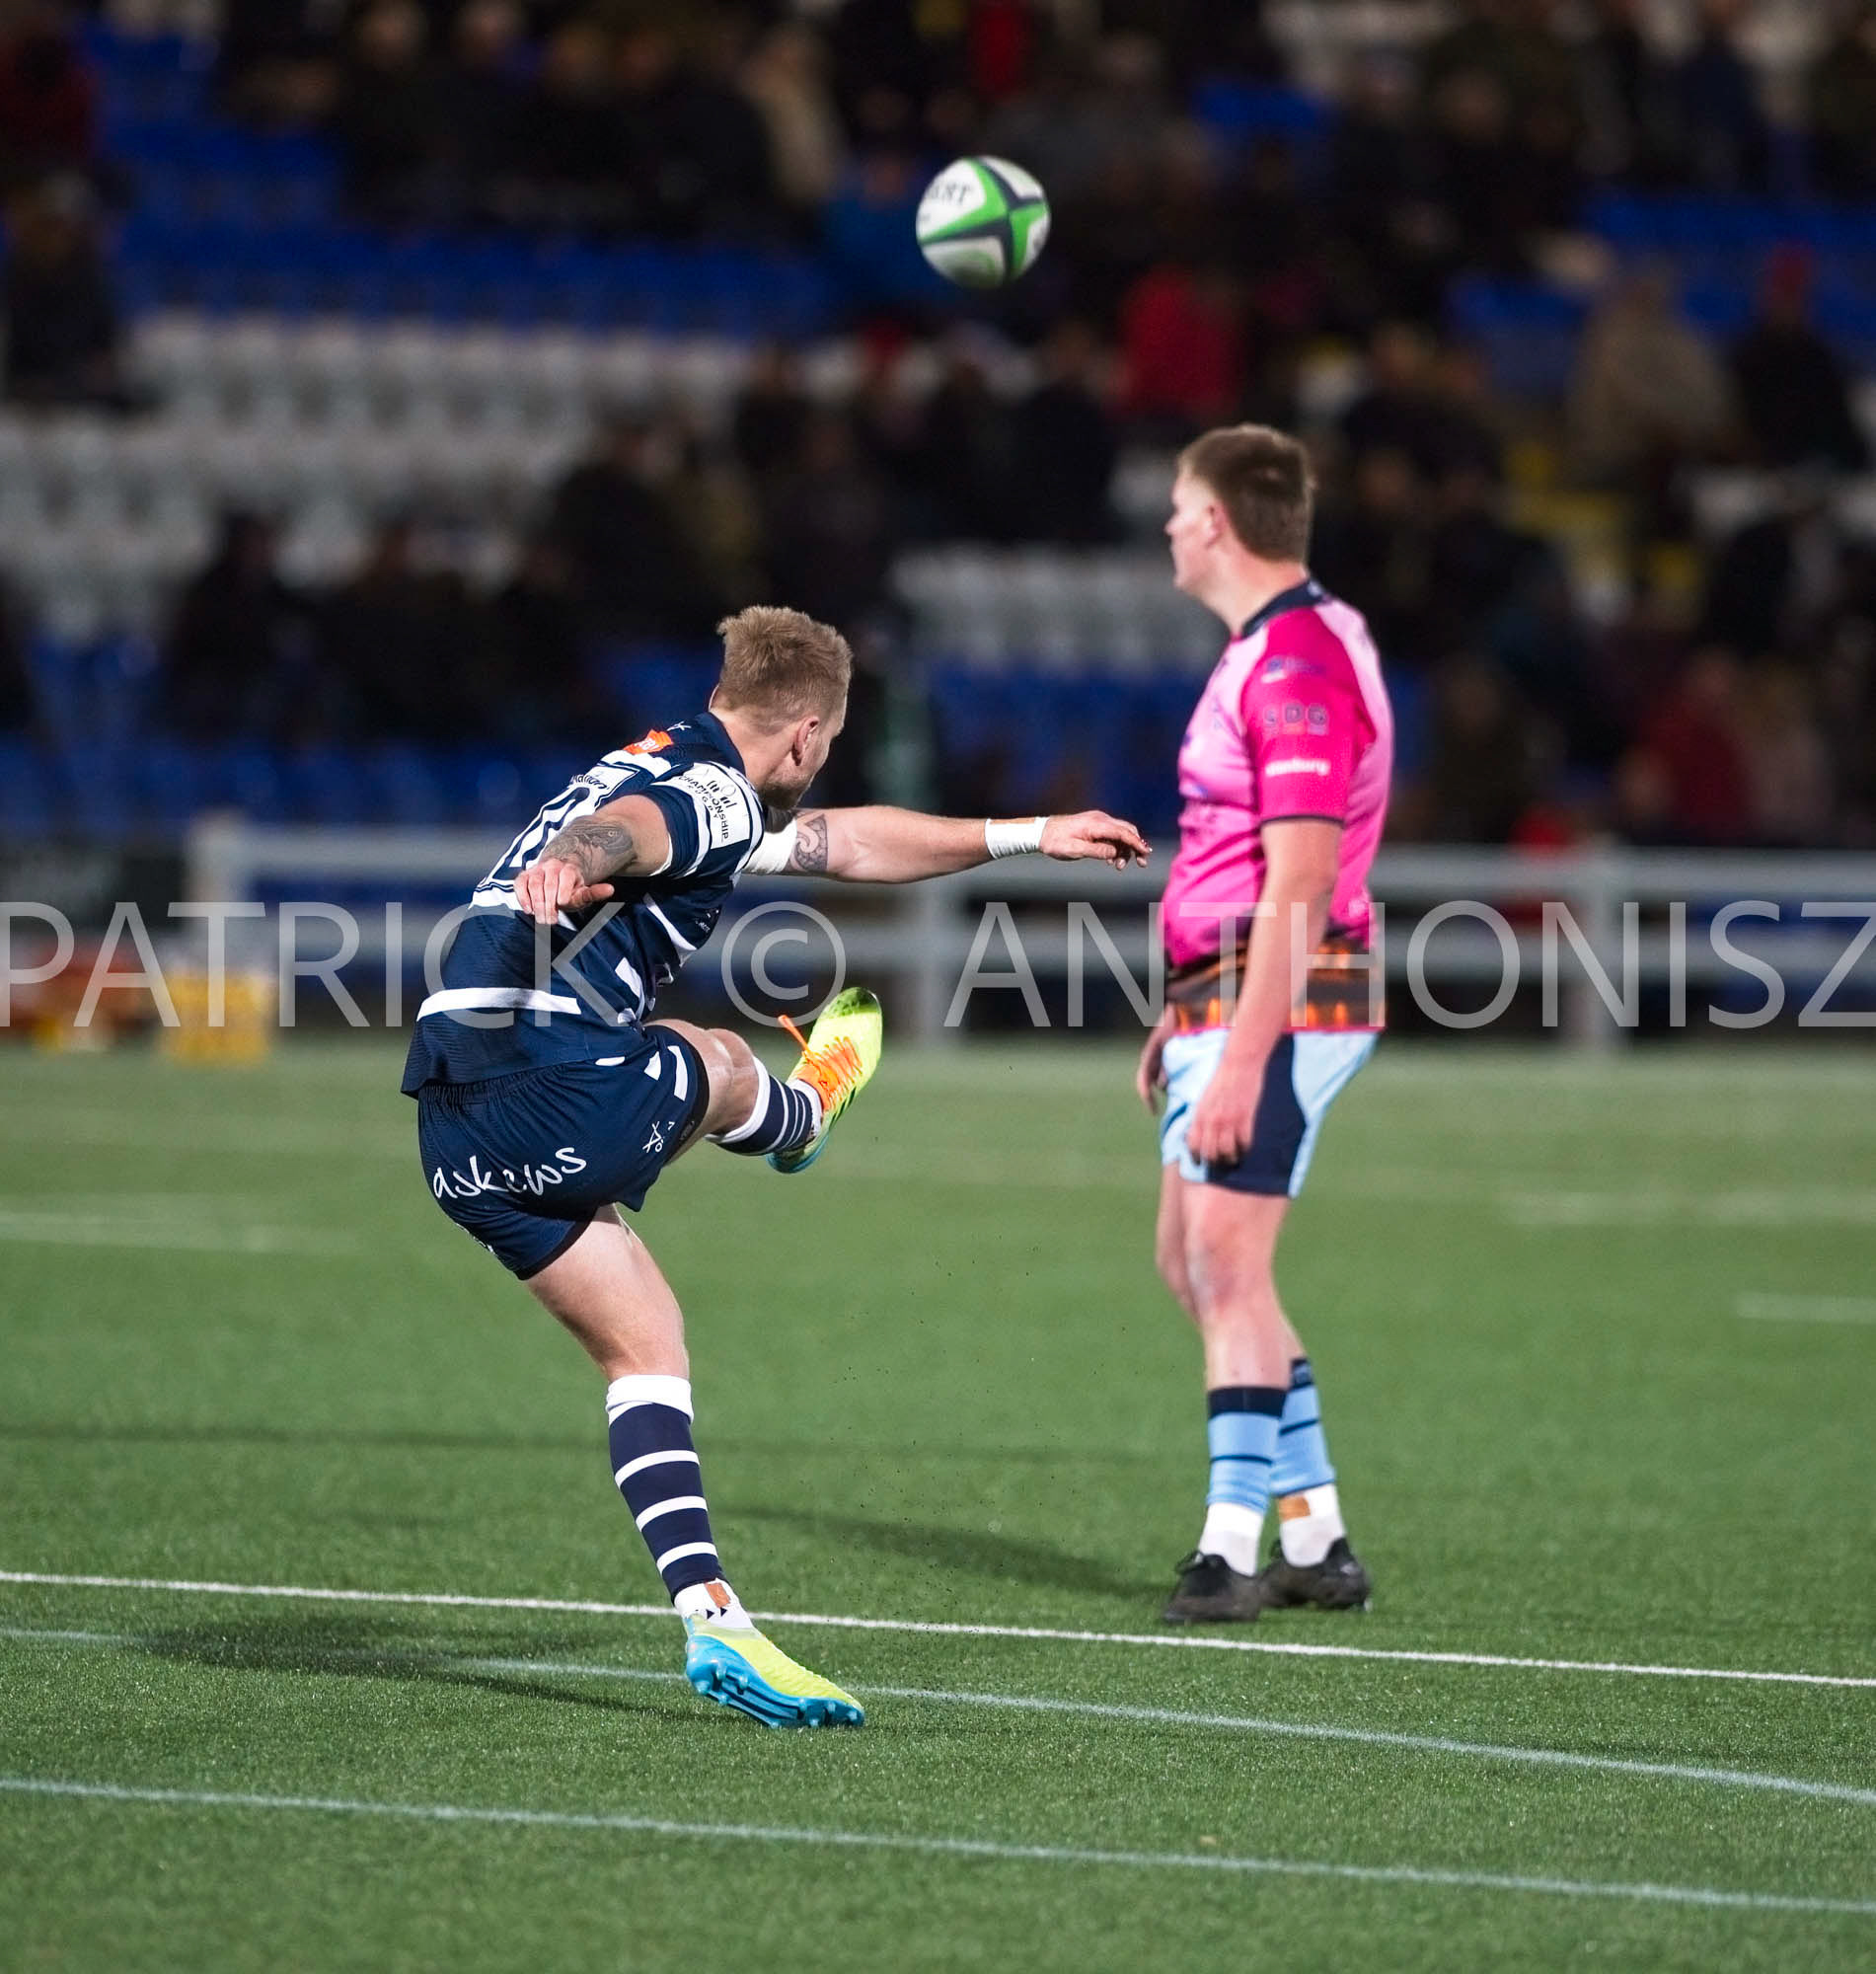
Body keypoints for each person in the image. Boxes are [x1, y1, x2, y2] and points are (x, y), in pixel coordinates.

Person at [405, 604, 1149, 1724]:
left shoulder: (681, 761)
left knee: (645, 1341)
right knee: (708, 1052)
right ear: (802, 734)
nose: (820, 768)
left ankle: (717, 1623)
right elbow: (633, 832)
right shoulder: (703, 791)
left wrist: (1027, 831)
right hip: (541, 1081)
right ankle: (799, 1118)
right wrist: (576, 859)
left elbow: (843, 843)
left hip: (452, 1126)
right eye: (827, 748)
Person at [1137, 426, 1392, 1625]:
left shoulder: (1288, 663)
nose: (1168, 526)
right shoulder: (1295, 641)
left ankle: (1228, 1548)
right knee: (1193, 1266)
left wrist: (1238, 1047)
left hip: (1280, 993)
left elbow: (1298, 880)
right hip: (1231, 990)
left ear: (1215, 525)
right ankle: (1316, 1532)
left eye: (1179, 506)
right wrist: (1181, 1009)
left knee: (1225, 1266)